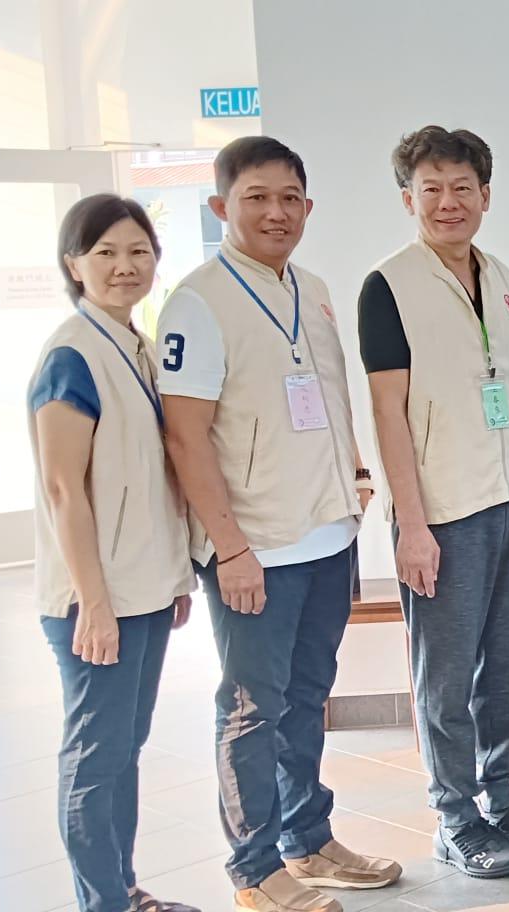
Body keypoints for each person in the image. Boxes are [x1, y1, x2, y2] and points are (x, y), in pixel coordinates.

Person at [156, 137, 401, 912]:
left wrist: (356, 479)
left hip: (327, 535)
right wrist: (229, 548)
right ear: (220, 206)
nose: (275, 212)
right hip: (254, 548)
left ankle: (307, 839)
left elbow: (326, 397)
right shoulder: (198, 302)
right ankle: (255, 870)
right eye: (256, 197)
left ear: (308, 207)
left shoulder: (313, 289)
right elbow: (184, 437)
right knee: (252, 709)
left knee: (306, 697)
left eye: (289, 198)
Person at [357, 126, 509, 878]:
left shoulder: (499, 275)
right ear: (408, 198)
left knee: (508, 665)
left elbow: (506, 389)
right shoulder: (388, 286)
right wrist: (410, 525)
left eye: (463, 188)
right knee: (445, 677)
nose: (449, 202)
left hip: (505, 499)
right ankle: (454, 815)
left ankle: (501, 798)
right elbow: (388, 412)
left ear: (485, 195)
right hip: (440, 512)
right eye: (432, 189)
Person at [31, 194, 200, 912]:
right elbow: (63, 490)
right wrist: (93, 604)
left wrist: (175, 574)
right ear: (75, 265)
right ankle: (101, 902)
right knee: (96, 756)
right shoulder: (72, 354)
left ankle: (124, 891)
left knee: (124, 748)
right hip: (96, 599)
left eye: (138, 251)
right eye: (105, 253)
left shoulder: (136, 345)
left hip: (145, 588)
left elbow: (151, 475)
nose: (125, 266)